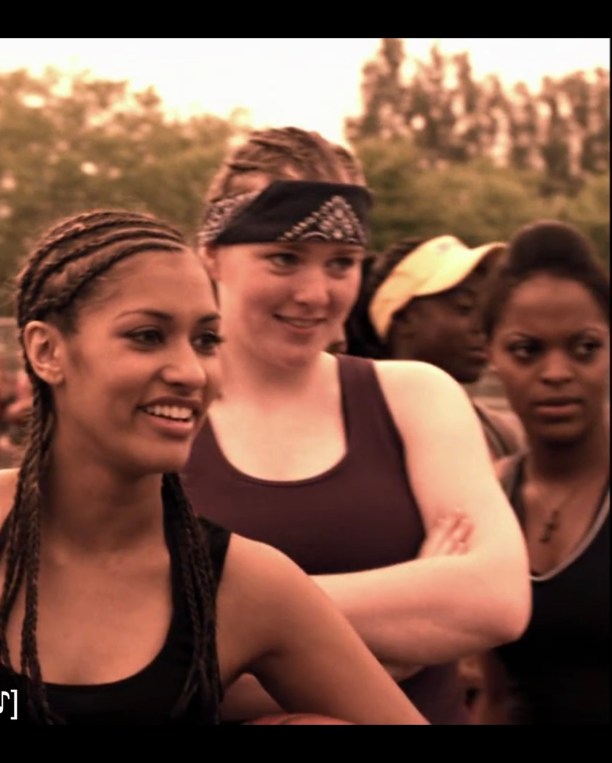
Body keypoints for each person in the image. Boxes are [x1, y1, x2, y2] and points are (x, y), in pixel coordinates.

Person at [0, 210, 426, 725]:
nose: (189, 371)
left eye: (206, 340)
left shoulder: (246, 585)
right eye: (146, 335)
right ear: (47, 350)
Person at [181, 127, 531, 725]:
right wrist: (400, 633)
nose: (315, 293)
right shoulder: (165, 417)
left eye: (341, 263)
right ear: (211, 253)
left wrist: (243, 620)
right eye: (284, 258)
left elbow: (498, 601)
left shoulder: (415, 398)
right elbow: (135, 665)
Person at [470, 220, 609, 724]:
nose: (556, 373)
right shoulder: (489, 496)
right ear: (490, 354)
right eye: (527, 350)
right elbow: (495, 696)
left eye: (584, 348)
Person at [347, 234, 524, 460]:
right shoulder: (350, 428)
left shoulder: (500, 433)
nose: (484, 327)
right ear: (404, 316)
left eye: (488, 311)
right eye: (465, 307)